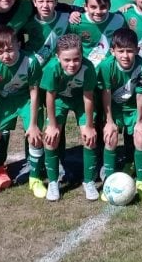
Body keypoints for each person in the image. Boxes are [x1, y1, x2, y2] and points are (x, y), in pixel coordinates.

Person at [0, 25, 44, 202]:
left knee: (35, 136)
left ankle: (35, 180)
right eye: (0, 51)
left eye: (10, 49)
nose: (6, 55)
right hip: (3, 102)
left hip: (26, 100)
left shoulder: (31, 61)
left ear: (19, 44)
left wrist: (34, 124)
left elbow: (34, 92)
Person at [40, 34, 98, 202]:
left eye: (76, 59)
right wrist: (51, 125)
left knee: (89, 138)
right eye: (67, 60)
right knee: (51, 138)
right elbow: (49, 97)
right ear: (58, 57)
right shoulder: (52, 68)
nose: (72, 64)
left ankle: (89, 181)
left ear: (82, 56)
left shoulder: (88, 67)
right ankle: (53, 182)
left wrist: (88, 125)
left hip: (80, 101)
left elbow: (88, 97)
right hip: (59, 100)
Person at [98, 28, 142, 202]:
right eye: (121, 51)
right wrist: (109, 121)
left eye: (129, 51)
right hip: (114, 108)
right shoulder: (106, 66)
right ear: (112, 51)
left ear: (137, 50)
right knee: (110, 136)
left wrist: (140, 121)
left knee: (141, 136)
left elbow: (141, 94)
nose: (125, 55)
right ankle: (109, 180)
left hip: (134, 108)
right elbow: (105, 94)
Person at [68, 0, 126, 69]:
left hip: (109, 70)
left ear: (109, 6)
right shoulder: (77, 22)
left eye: (103, 7)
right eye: (93, 7)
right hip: (85, 70)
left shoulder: (119, 20)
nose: (98, 11)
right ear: (85, 6)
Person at [23, 0, 74, 66]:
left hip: (57, 69)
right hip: (34, 68)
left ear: (56, 2)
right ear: (34, 2)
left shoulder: (66, 18)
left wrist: (75, 13)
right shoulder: (28, 22)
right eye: (41, 1)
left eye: (49, 1)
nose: (45, 6)